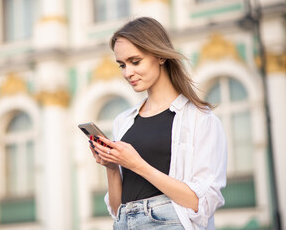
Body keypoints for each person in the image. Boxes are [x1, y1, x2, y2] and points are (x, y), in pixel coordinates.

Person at [88, 17, 227, 230]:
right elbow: (118, 210)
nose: (128, 73)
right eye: (122, 65)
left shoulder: (200, 118)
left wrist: (137, 164)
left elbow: (202, 203)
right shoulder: (123, 121)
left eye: (135, 62)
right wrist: (112, 167)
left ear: (160, 56)